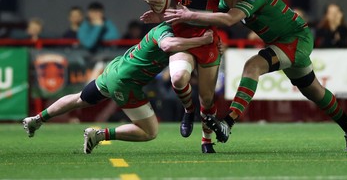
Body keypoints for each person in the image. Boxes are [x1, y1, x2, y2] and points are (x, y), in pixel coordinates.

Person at [164, 0, 347, 152]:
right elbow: (212, 13)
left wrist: (189, 15)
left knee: (253, 66)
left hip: (295, 39)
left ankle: (228, 122)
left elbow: (228, 20)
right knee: (314, 91)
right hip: (284, 42)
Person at [22, 22, 214, 154]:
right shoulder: (166, 32)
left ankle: (37, 119)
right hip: (126, 82)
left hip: (116, 69)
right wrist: (202, 41)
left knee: (80, 98)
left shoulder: (176, 33)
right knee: (150, 132)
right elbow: (168, 44)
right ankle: (98, 135)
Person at [140, 0, 239, 153]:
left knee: (207, 97)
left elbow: (231, 6)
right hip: (182, 37)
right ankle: (188, 109)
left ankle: (206, 140)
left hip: (208, 38)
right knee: (177, 79)